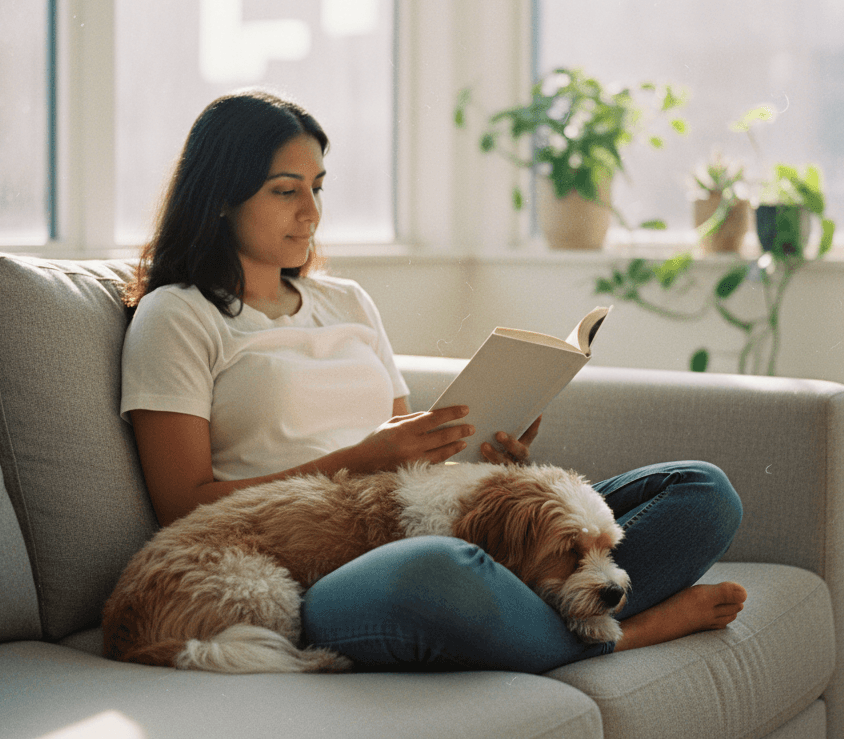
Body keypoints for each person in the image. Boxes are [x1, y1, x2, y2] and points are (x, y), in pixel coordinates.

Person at [120, 88, 747, 673]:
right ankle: (626, 631)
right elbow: (179, 506)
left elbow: (412, 461)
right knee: (449, 568)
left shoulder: (348, 302)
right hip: (319, 570)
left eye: (318, 187)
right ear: (222, 197)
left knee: (701, 491)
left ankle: (557, 622)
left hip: (402, 519)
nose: (311, 211)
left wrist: (481, 455)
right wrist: (357, 460)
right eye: (286, 191)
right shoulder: (178, 315)